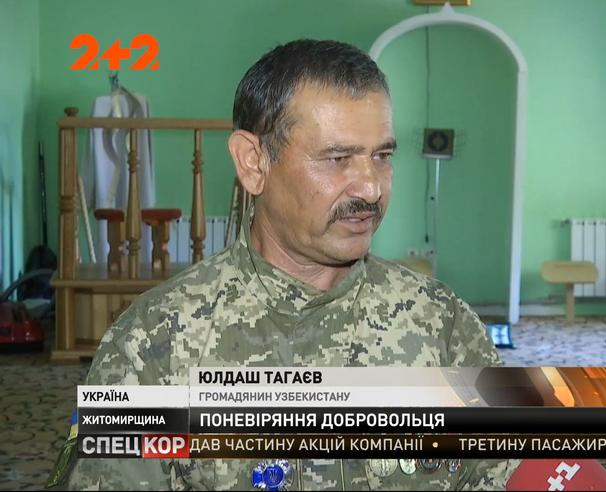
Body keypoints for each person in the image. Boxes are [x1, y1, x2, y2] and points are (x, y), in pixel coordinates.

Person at [47, 39, 519, 490]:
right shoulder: (152, 343)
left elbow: (509, 471)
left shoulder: (442, 322)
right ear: (253, 163)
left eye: (382, 156)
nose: (371, 188)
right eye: (337, 158)